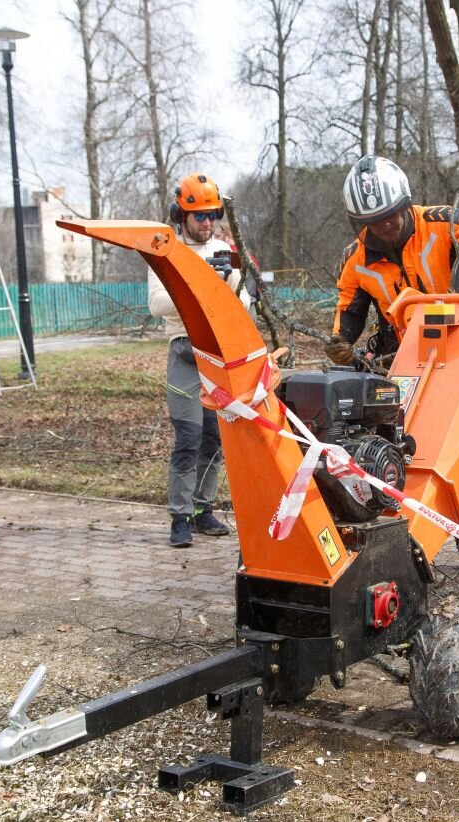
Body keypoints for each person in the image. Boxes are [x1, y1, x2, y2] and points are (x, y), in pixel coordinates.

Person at [328, 155, 459, 577]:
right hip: (400, 357)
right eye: (375, 221)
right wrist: (341, 345)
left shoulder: (444, 221)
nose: (386, 226)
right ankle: (391, 538)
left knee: (449, 446)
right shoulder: (356, 257)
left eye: (391, 216)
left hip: (458, 345)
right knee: (394, 447)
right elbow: (349, 312)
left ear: (405, 203)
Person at [148, 172, 252, 548]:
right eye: (200, 216)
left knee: (214, 437)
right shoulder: (165, 250)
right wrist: (197, 283)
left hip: (217, 356)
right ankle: (179, 516)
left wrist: (230, 285)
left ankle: (201, 510)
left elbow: (244, 305)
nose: (207, 223)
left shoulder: (224, 251)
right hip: (184, 352)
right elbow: (157, 303)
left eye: (213, 215)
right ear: (182, 215)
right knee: (189, 436)